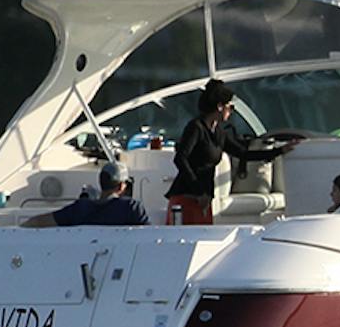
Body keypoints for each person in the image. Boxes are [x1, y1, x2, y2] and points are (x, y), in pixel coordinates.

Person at [165, 79, 296, 225]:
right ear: (220, 106)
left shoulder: (219, 133)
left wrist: (279, 151)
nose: (231, 111)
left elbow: (243, 154)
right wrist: (198, 190)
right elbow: (181, 158)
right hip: (187, 197)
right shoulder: (196, 128)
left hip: (204, 200)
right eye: (230, 107)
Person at [24, 160, 150, 228]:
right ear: (121, 186)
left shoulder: (80, 208)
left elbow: (40, 222)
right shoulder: (131, 208)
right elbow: (150, 236)